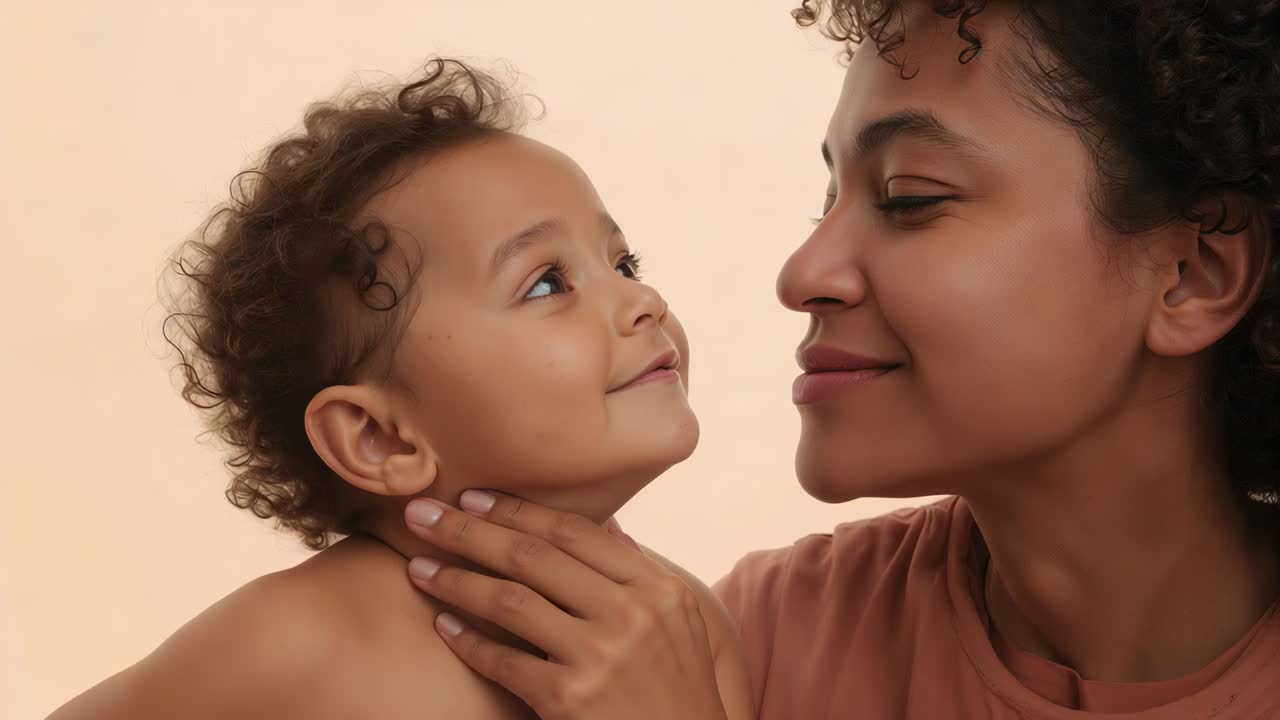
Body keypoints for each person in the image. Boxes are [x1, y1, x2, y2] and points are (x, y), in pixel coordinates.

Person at [398, 2, 1280, 718]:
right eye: (827, 200)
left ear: (1192, 275)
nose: (801, 274)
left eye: (909, 197)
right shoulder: (726, 652)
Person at [46, 58, 751, 720]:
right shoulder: (297, 641)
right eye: (547, 284)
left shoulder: (689, 631)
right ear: (379, 438)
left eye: (624, 264)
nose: (645, 300)